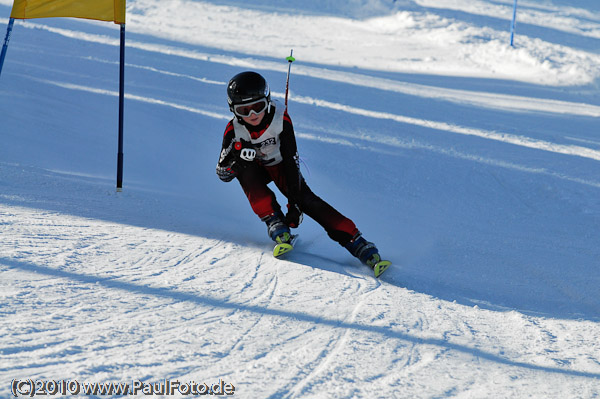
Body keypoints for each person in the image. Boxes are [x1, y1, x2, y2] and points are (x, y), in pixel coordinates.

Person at [216, 71, 384, 269]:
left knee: (308, 201)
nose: (253, 115)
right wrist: (236, 160)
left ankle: (356, 241)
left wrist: (295, 204)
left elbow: (291, 162)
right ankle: (274, 220)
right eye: (244, 110)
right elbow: (222, 173)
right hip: (255, 170)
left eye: (258, 106)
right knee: (245, 171)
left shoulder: (280, 120)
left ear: (268, 101)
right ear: (233, 110)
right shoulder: (234, 131)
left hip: (280, 165)